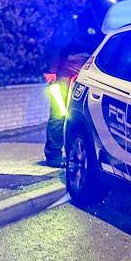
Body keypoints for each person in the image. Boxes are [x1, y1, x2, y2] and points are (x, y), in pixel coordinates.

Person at [43, 22, 100, 167]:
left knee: (60, 113)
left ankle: (55, 155)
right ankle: (57, 155)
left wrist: (51, 72)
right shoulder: (94, 19)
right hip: (82, 71)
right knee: (64, 113)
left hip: (69, 71)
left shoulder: (70, 23)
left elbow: (56, 46)